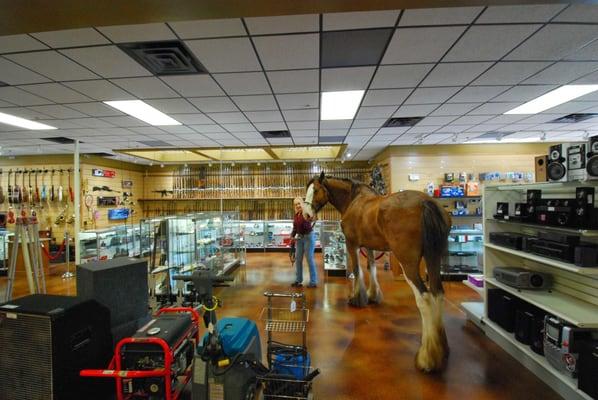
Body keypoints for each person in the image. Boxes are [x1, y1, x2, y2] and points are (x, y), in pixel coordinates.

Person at [290, 197, 318, 288]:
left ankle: (313, 282)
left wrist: (310, 216)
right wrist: (292, 236)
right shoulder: (296, 215)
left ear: (302, 204)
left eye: (299, 203)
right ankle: (298, 280)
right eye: (296, 204)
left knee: (309, 259)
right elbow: (295, 228)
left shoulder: (306, 214)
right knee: (298, 260)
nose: (298, 205)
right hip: (300, 238)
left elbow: (311, 220)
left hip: (308, 237)